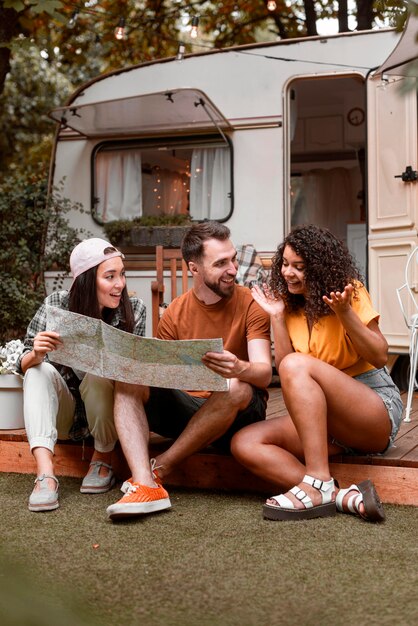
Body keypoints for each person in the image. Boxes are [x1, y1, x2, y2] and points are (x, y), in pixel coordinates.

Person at [231, 224, 403, 522]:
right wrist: (277, 317)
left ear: (320, 269)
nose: (287, 273)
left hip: (372, 408)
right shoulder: (291, 306)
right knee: (245, 442)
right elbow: (286, 371)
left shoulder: (349, 292)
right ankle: (337, 495)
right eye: (284, 264)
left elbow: (378, 356)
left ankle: (318, 480)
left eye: (299, 267)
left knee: (297, 364)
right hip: (327, 421)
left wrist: (345, 313)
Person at [106, 221, 272, 520]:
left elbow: (263, 373)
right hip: (189, 411)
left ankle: (160, 468)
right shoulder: (176, 312)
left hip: (239, 414)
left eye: (232, 259)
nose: (233, 269)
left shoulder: (251, 303)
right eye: (221, 263)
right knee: (128, 379)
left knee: (235, 385)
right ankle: (144, 483)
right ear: (194, 269)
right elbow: (158, 373)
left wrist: (240, 367)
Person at [17, 238, 146, 512]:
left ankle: (103, 458)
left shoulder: (134, 310)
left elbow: (136, 376)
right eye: (109, 276)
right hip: (65, 413)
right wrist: (36, 354)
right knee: (37, 371)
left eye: (121, 274)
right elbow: (23, 361)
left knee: (100, 374)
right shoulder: (57, 304)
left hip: (106, 414)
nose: (120, 284)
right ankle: (45, 475)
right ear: (87, 280)